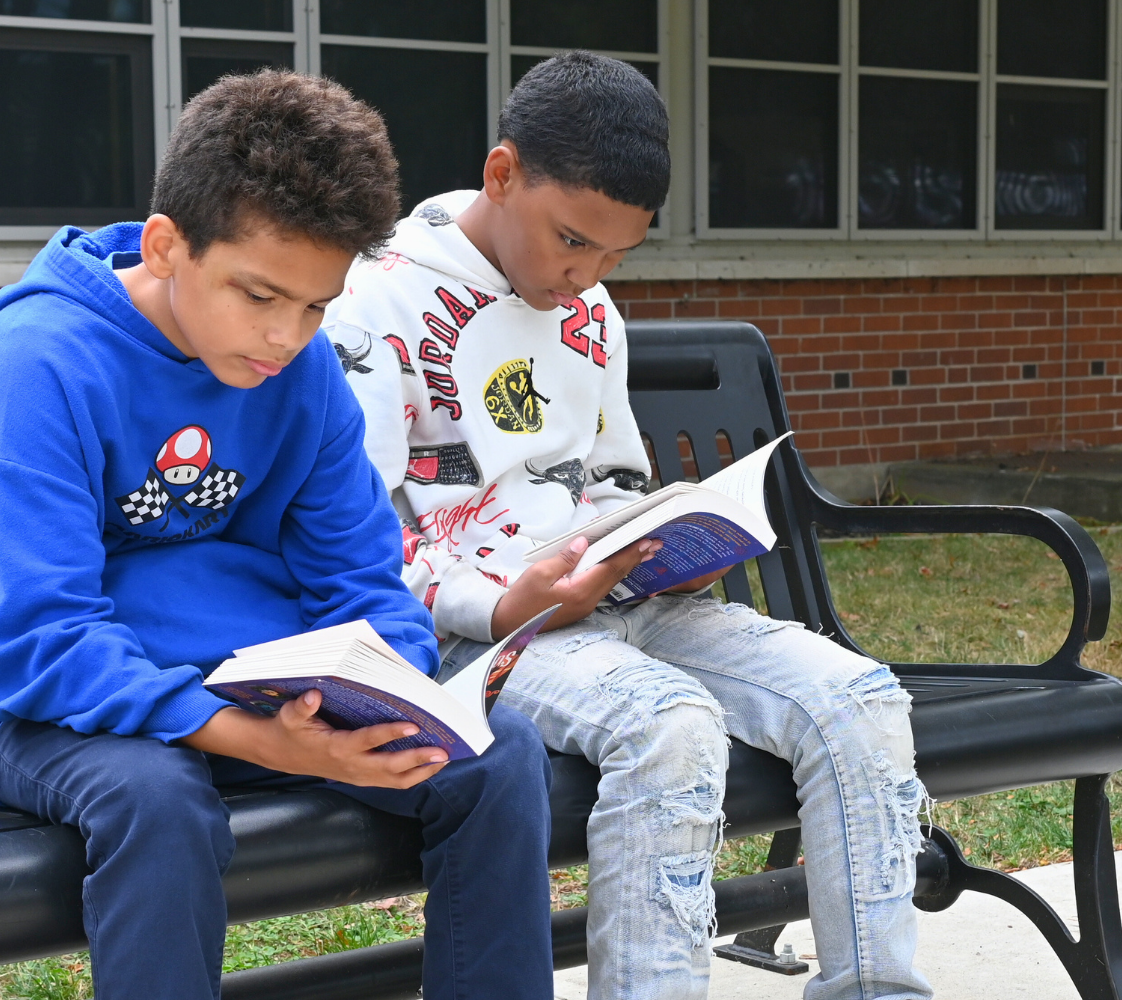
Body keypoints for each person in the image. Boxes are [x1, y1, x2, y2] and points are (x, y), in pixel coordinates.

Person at [0, 70, 553, 1000]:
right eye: (259, 295)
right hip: (30, 709)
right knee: (155, 798)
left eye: (317, 306)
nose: (287, 336)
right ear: (167, 247)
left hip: (255, 691)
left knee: (494, 757)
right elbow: (35, 643)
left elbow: (362, 576)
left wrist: (391, 692)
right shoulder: (31, 370)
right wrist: (255, 739)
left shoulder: (302, 371)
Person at [330, 51, 931, 1000]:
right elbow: (355, 540)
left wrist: (665, 542)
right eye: (573, 242)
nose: (588, 277)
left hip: (618, 603)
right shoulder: (373, 301)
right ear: (501, 174)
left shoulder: (589, 313)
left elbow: (609, 480)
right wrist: (501, 604)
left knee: (858, 699)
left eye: (616, 257)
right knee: (672, 728)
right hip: (478, 632)